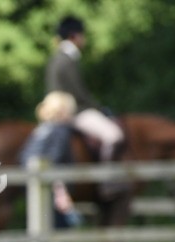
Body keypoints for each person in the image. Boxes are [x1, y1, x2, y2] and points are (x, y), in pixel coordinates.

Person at [45, 16, 124, 169]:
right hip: (74, 112)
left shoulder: (56, 57)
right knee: (114, 135)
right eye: (82, 35)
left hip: (56, 112)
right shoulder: (67, 59)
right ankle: (108, 176)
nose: (84, 39)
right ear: (74, 36)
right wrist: (97, 108)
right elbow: (79, 93)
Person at [18, 91, 82, 232]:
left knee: (42, 224)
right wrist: (61, 191)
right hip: (51, 184)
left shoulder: (41, 129)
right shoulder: (61, 131)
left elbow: (24, 155)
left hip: (30, 181)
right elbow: (56, 157)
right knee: (65, 225)